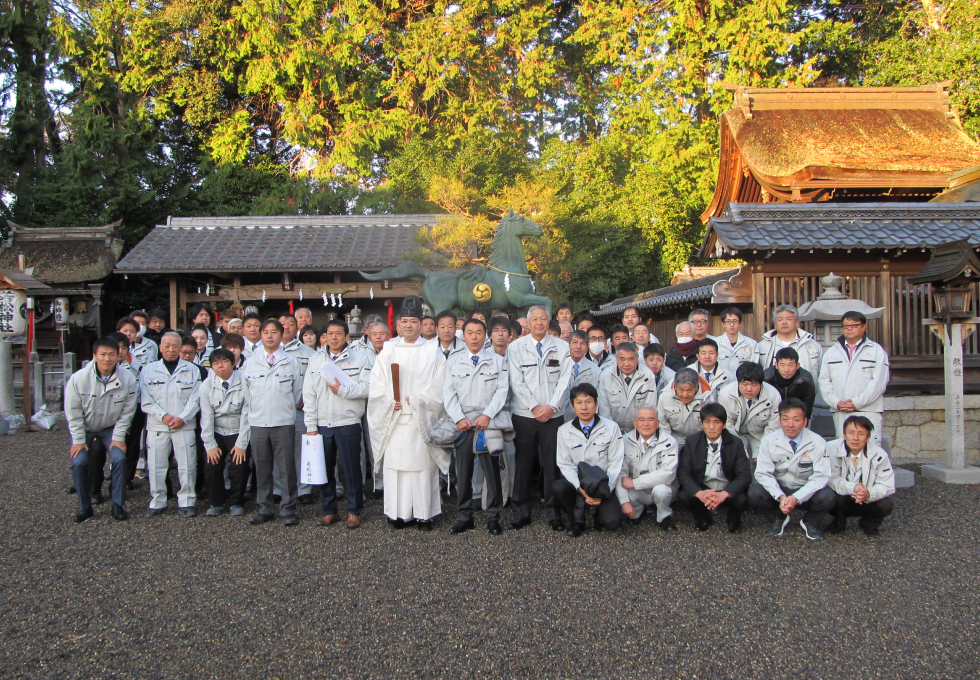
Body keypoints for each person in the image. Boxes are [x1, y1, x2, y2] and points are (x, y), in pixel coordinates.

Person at [368, 296, 449, 530]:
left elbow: (439, 387)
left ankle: (425, 514)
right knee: (396, 469)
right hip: (394, 419)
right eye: (405, 321)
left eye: (414, 321)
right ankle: (398, 513)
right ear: (398, 324)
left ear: (421, 324)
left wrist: (416, 400)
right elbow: (377, 384)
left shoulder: (432, 351)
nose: (409, 326)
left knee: (423, 470)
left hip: (419, 418)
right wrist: (388, 400)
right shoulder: (388, 351)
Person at [508, 304, 573, 531]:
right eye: (534, 319)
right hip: (525, 414)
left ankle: (553, 511)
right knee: (523, 463)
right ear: (528, 322)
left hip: (553, 415)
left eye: (543, 319)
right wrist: (535, 407)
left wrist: (551, 406)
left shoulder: (562, 346)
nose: (539, 323)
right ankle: (521, 511)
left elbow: (565, 380)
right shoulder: (516, 347)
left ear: (548, 321)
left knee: (552, 463)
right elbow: (517, 382)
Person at [444, 319, 510, 536]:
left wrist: (487, 415)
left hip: (487, 423)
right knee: (463, 472)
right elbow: (448, 393)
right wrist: (458, 418)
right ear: (463, 335)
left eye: (479, 332)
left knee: (492, 472)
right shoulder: (454, 361)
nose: (474, 337)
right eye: (470, 333)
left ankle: (493, 516)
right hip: (463, 425)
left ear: (486, 336)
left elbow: (502, 391)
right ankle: (465, 516)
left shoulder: (497, 361)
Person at [304, 319, 373, 530]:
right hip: (322, 423)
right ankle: (329, 511)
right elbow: (309, 394)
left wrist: (342, 390)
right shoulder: (316, 360)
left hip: (348, 421)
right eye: (330, 333)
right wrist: (311, 426)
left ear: (346, 337)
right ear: (324, 336)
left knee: (352, 468)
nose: (334, 338)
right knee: (324, 469)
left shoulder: (361, 358)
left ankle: (354, 511)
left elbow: (367, 388)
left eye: (338, 334)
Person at [64, 337, 139, 522]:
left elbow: (127, 411)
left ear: (118, 355)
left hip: (110, 428)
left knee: (120, 459)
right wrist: (79, 440)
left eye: (111, 354)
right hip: (85, 428)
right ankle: (85, 506)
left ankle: (117, 504)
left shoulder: (128, 378)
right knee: (79, 462)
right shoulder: (79, 378)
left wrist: (119, 436)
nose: (107, 359)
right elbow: (72, 412)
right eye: (103, 354)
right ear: (94, 356)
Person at [242, 319, 304, 526]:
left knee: (287, 468)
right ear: (260, 335)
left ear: (281, 335)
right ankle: (265, 507)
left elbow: (297, 394)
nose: (269, 336)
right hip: (258, 422)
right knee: (262, 467)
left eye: (274, 332)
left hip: (283, 421)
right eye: (265, 332)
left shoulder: (291, 361)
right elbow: (247, 395)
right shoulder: (250, 363)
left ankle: (288, 509)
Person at [749, 397, 834, 540]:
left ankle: (810, 522)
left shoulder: (818, 442)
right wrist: (781, 496)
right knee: (754, 492)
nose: (790, 424)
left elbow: (821, 476)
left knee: (828, 497)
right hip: (781, 489)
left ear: (805, 421)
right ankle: (779, 518)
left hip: (805, 489)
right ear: (780, 421)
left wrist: (796, 497)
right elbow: (763, 473)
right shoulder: (768, 441)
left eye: (796, 419)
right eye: (786, 419)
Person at [141, 332, 203, 518]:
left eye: (174, 346)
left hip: (184, 425)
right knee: (156, 465)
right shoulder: (148, 370)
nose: (170, 349)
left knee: (187, 464)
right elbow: (146, 398)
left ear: (180, 348)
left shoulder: (192, 369)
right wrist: (163, 416)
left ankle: (187, 501)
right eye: (166, 346)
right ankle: (158, 500)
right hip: (157, 426)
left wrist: (183, 417)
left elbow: (197, 397)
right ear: (160, 347)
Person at [554, 383, 625, 536]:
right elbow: (564, 464)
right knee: (559, 487)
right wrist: (581, 489)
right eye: (579, 403)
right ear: (573, 407)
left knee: (612, 523)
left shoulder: (612, 428)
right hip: (578, 484)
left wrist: (604, 490)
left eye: (588, 402)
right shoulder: (564, 430)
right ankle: (577, 521)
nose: (584, 407)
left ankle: (598, 513)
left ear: (596, 404)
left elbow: (615, 463)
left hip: (603, 484)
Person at [677, 402, 752, 533]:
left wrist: (725, 493)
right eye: (707, 422)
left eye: (716, 422)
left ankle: (734, 519)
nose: (711, 427)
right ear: (702, 424)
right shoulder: (692, 442)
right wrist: (700, 493)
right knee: (685, 495)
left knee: (741, 499)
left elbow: (744, 475)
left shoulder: (736, 443)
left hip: (726, 486)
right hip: (703, 485)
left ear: (723, 424)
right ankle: (702, 518)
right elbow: (684, 473)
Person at [818, 311, 890, 442]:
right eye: (846, 326)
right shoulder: (832, 352)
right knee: (844, 449)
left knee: (870, 449)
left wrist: (857, 402)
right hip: (841, 410)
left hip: (868, 410)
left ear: (864, 327)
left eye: (854, 325)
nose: (849, 328)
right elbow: (824, 381)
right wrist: (836, 403)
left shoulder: (876, 351)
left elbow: (879, 383)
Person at [199, 348, 251, 517]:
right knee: (211, 467)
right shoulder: (206, 385)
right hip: (217, 431)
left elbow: (247, 414)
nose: (220, 366)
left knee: (239, 466)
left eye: (224, 362)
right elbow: (206, 417)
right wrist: (210, 445)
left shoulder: (244, 381)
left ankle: (236, 502)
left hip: (238, 430)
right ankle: (217, 502)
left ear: (233, 363)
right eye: (215, 363)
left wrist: (242, 443)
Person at [827, 416, 896, 536]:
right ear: (844, 434)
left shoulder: (879, 455)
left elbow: (887, 485)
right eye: (851, 433)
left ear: (868, 437)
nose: (855, 438)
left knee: (886, 504)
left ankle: (869, 524)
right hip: (842, 498)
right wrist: (853, 488)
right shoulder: (830, 449)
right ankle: (838, 523)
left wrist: (868, 493)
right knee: (830, 497)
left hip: (866, 499)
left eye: (861, 433)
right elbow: (830, 478)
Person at [617, 406, 678, 530]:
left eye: (650, 419)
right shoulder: (623, 441)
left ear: (657, 423)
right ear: (635, 423)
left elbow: (668, 473)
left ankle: (664, 516)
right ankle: (637, 513)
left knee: (661, 491)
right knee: (624, 488)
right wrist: (624, 502)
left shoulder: (670, 442)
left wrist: (635, 483)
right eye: (641, 419)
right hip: (637, 490)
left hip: (661, 486)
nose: (646, 423)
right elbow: (620, 473)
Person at [278, 312, 317, 504]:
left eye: (290, 324)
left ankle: (304, 489)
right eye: (282, 323)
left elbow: (315, 379)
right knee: (278, 450)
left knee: (301, 449)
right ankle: (279, 488)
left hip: (300, 409)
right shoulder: (267, 351)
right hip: (276, 411)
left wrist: (306, 398)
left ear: (297, 328)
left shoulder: (308, 352)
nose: (286, 327)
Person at [715, 362, 781, 462]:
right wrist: (739, 449)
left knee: (765, 460)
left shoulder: (773, 395)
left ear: (761, 383)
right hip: (735, 434)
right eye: (745, 384)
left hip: (760, 435)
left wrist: (762, 451)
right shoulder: (725, 394)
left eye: (754, 385)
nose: (749, 389)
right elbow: (727, 424)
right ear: (738, 382)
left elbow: (773, 427)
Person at [598, 342, 658, 432]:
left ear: (637, 359)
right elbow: (604, 411)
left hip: (639, 430)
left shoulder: (648, 375)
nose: (626, 364)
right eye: (622, 359)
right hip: (613, 430)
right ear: (616, 358)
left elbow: (650, 407)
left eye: (631, 359)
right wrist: (612, 433)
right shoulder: (605, 376)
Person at [753, 304, 822, 375]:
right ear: (775, 322)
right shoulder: (763, 346)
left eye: (789, 319)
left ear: (796, 322)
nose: (784, 322)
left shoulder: (812, 345)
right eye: (780, 319)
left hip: (806, 385)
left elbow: (821, 374)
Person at [657, 368, 711, 448]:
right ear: (675, 387)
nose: (685, 395)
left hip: (700, 439)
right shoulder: (664, 397)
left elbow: (710, 425)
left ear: (696, 388)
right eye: (681, 390)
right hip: (675, 437)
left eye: (689, 390)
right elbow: (663, 425)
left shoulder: (707, 398)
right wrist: (669, 444)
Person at [764, 348, 816, 418]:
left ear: (797, 365)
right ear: (776, 365)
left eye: (791, 365)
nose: (786, 370)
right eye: (782, 365)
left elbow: (807, 406)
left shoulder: (806, 379)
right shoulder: (766, 378)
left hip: (796, 416)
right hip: (772, 415)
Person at [714, 307, 756, 376]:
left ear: (740, 323)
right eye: (728, 321)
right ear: (723, 324)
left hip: (743, 383)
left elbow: (754, 368)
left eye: (735, 321)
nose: (732, 325)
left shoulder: (751, 344)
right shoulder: (715, 343)